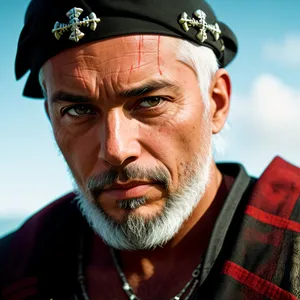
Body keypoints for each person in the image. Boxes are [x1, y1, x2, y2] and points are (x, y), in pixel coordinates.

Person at [1, 0, 300, 299]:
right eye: (78, 110)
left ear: (216, 103)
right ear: (51, 119)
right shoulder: (16, 265)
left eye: (150, 102)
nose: (116, 150)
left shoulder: (292, 240)